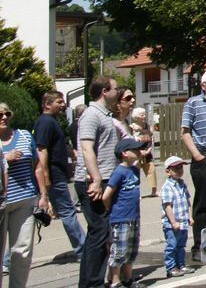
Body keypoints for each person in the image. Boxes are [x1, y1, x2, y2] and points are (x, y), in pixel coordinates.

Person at [75, 76, 121, 288]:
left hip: (103, 179)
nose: (118, 92)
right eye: (115, 88)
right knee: (100, 233)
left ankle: (88, 283)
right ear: (104, 90)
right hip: (94, 181)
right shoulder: (91, 115)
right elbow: (86, 148)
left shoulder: (104, 115)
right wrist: (95, 180)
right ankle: (92, 283)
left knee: (99, 234)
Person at [34, 91, 85, 260]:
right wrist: (46, 176)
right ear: (47, 104)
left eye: (62, 101)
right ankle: (82, 249)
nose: (62, 104)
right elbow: (41, 149)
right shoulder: (45, 122)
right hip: (54, 175)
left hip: (56, 175)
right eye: (59, 102)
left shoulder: (50, 121)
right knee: (67, 211)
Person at [0, 101, 46, 288]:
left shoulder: (25, 136)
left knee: (22, 251)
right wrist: (4, 158)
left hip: (25, 199)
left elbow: (37, 166)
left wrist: (43, 195)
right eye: (0, 114)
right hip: (1, 202)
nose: (4, 117)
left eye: (7, 113)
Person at [181, 68, 206, 262]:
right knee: (203, 204)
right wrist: (197, 156)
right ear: (203, 86)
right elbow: (185, 131)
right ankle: (198, 245)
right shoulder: (193, 103)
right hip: (202, 156)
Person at [102, 138, 146, 288]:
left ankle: (128, 279)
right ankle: (114, 281)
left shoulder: (134, 170)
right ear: (124, 153)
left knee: (131, 251)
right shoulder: (119, 172)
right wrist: (109, 208)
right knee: (119, 251)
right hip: (120, 218)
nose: (139, 152)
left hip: (134, 217)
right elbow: (106, 195)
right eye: (135, 150)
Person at [160, 155, 193, 277]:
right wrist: (173, 221)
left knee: (181, 245)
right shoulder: (167, 187)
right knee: (171, 246)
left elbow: (187, 201)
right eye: (176, 168)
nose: (179, 170)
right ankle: (171, 267)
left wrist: (190, 216)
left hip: (183, 222)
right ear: (168, 171)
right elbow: (167, 206)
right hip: (171, 224)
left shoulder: (182, 184)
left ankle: (181, 264)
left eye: (180, 168)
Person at [130, 108, 157, 197]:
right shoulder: (131, 127)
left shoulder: (147, 126)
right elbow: (130, 140)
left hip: (147, 152)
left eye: (144, 114)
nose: (144, 116)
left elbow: (151, 138)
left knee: (151, 170)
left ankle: (154, 191)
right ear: (136, 117)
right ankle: (137, 193)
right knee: (135, 173)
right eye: (142, 115)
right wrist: (138, 151)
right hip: (136, 153)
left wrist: (148, 150)